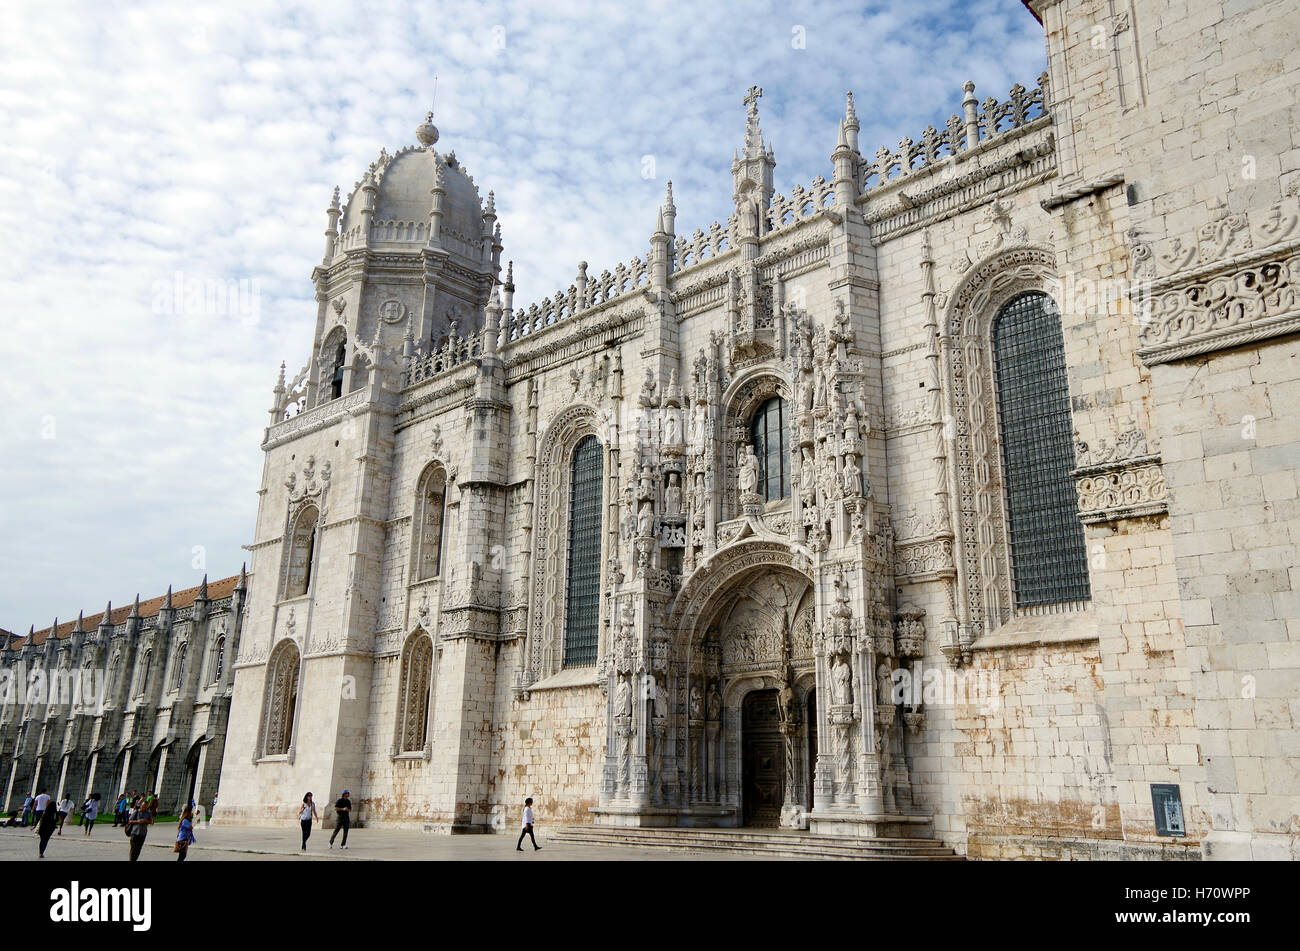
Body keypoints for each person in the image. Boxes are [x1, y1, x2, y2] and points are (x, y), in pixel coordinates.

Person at [125, 797, 152, 862]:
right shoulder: (136, 812)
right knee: (133, 849)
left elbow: (150, 822)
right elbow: (130, 821)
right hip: (135, 833)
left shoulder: (148, 813)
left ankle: (135, 859)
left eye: (145, 806)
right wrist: (138, 821)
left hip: (143, 833)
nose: (144, 808)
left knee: (138, 849)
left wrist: (145, 821)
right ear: (141, 805)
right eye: (143, 806)